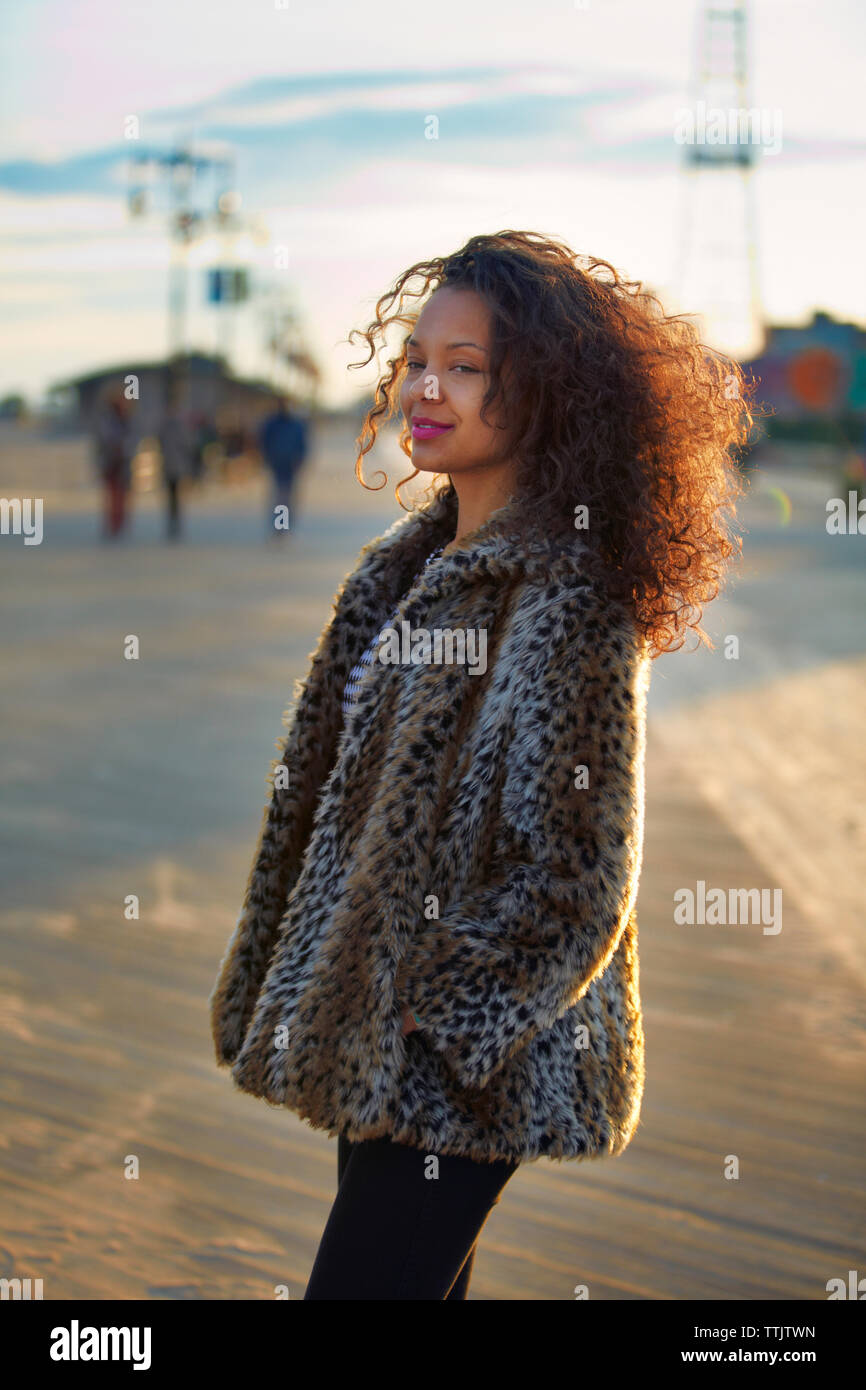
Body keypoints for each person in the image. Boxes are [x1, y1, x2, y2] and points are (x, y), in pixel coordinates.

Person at [209, 230, 752, 1299]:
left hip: (464, 1064)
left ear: (545, 395)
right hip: (384, 1037)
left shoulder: (566, 598)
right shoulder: (408, 568)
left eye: (466, 367)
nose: (427, 387)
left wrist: (436, 1011)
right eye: (418, 360)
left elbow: (578, 876)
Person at [257, 395, 309, 540]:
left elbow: (303, 444)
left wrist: (301, 460)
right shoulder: (272, 423)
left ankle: (283, 528)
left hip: (291, 466)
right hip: (277, 465)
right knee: (280, 498)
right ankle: (279, 529)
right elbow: (264, 442)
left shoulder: (296, 424)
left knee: (287, 498)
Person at [94, 386, 135, 540]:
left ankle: (120, 524)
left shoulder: (126, 420)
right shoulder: (108, 420)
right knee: (112, 496)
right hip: (112, 464)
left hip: (122, 464)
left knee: (122, 497)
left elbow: (131, 440)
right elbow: (105, 440)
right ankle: (113, 525)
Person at [158, 386, 193, 541]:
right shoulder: (166, 426)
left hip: (176, 466)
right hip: (169, 466)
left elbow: (186, 444)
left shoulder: (178, 426)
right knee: (171, 496)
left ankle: (176, 522)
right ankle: (172, 522)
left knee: (176, 496)